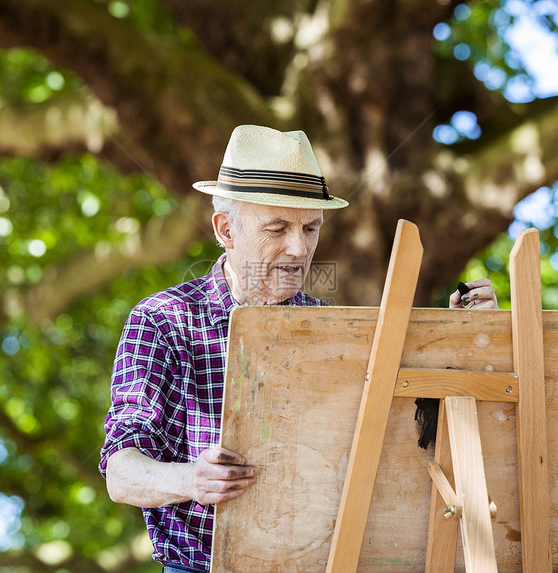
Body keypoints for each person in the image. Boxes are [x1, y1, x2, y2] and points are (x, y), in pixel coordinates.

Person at [99, 125, 497, 572]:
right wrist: (192, 478)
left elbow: (406, 439)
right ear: (226, 229)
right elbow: (122, 471)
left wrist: (469, 340)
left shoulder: (327, 326)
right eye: (278, 228)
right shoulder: (163, 319)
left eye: (311, 228)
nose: (299, 248)